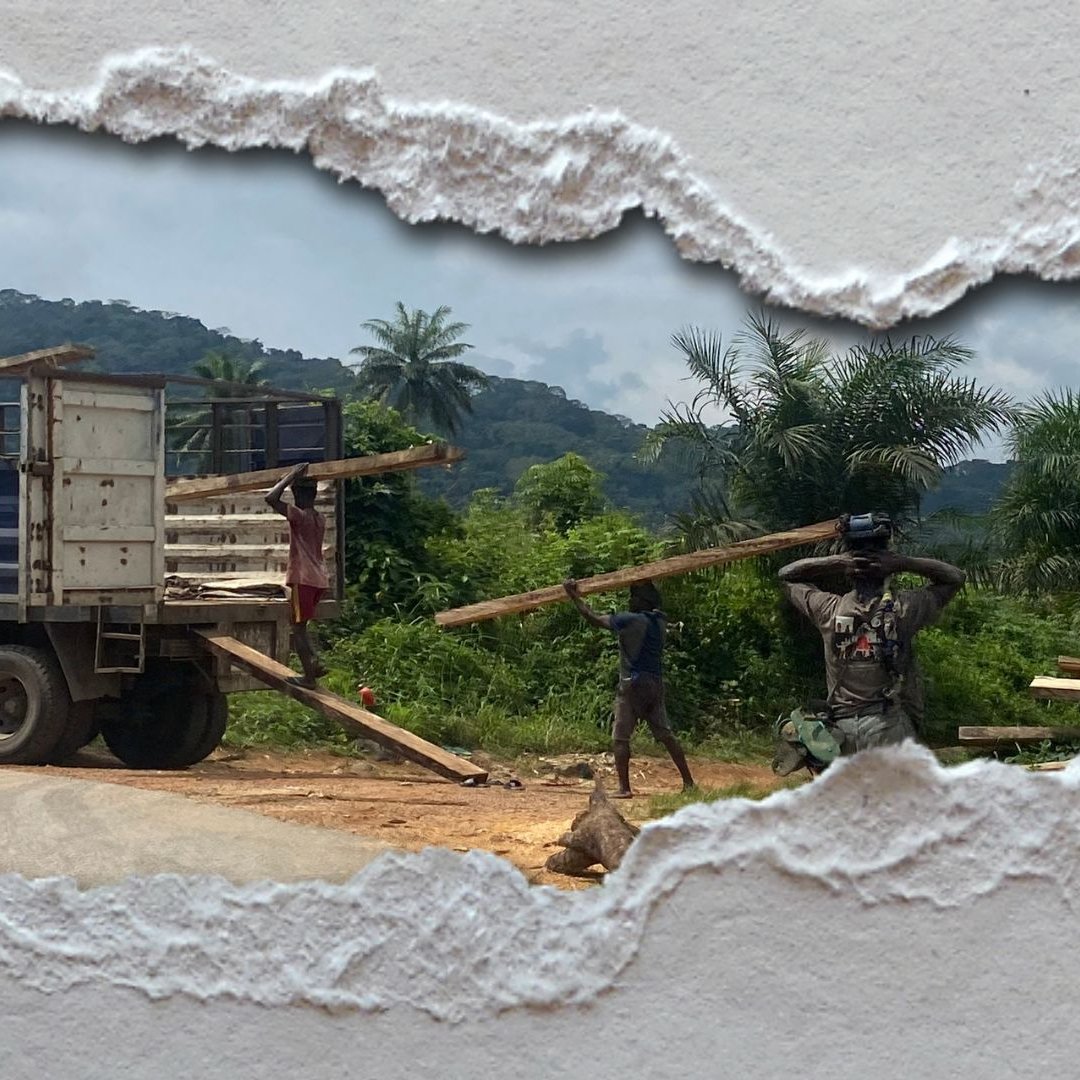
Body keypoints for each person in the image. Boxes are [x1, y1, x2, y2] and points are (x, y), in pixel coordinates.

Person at [775, 512, 965, 766]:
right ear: (886, 568)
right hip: (889, 727)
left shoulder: (828, 609)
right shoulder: (903, 610)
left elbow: (786, 574)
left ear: (849, 573)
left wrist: (839, 561)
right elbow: (954, 577)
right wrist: (900, 562)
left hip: (841, 735)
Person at [563, 577, 695, 798]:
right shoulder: (660, 623)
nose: (630, 600)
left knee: (621, 737)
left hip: (632, 684)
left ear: (641, 601)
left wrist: (574, 596)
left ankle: (624, 788)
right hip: (655, 683)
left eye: (633, 596)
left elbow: (593, 618)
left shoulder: (630, 620)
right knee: (665, 734)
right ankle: (688, 782)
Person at [266, 461, 329, 687]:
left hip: (302, 578)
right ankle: (315, 663)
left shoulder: (298, 516)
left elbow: (271, 498)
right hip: (319, 579)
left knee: (298, 628)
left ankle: (309, 677)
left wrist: (290, 476)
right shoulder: (320, 519)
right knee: (302, 626)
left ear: (297, 495)